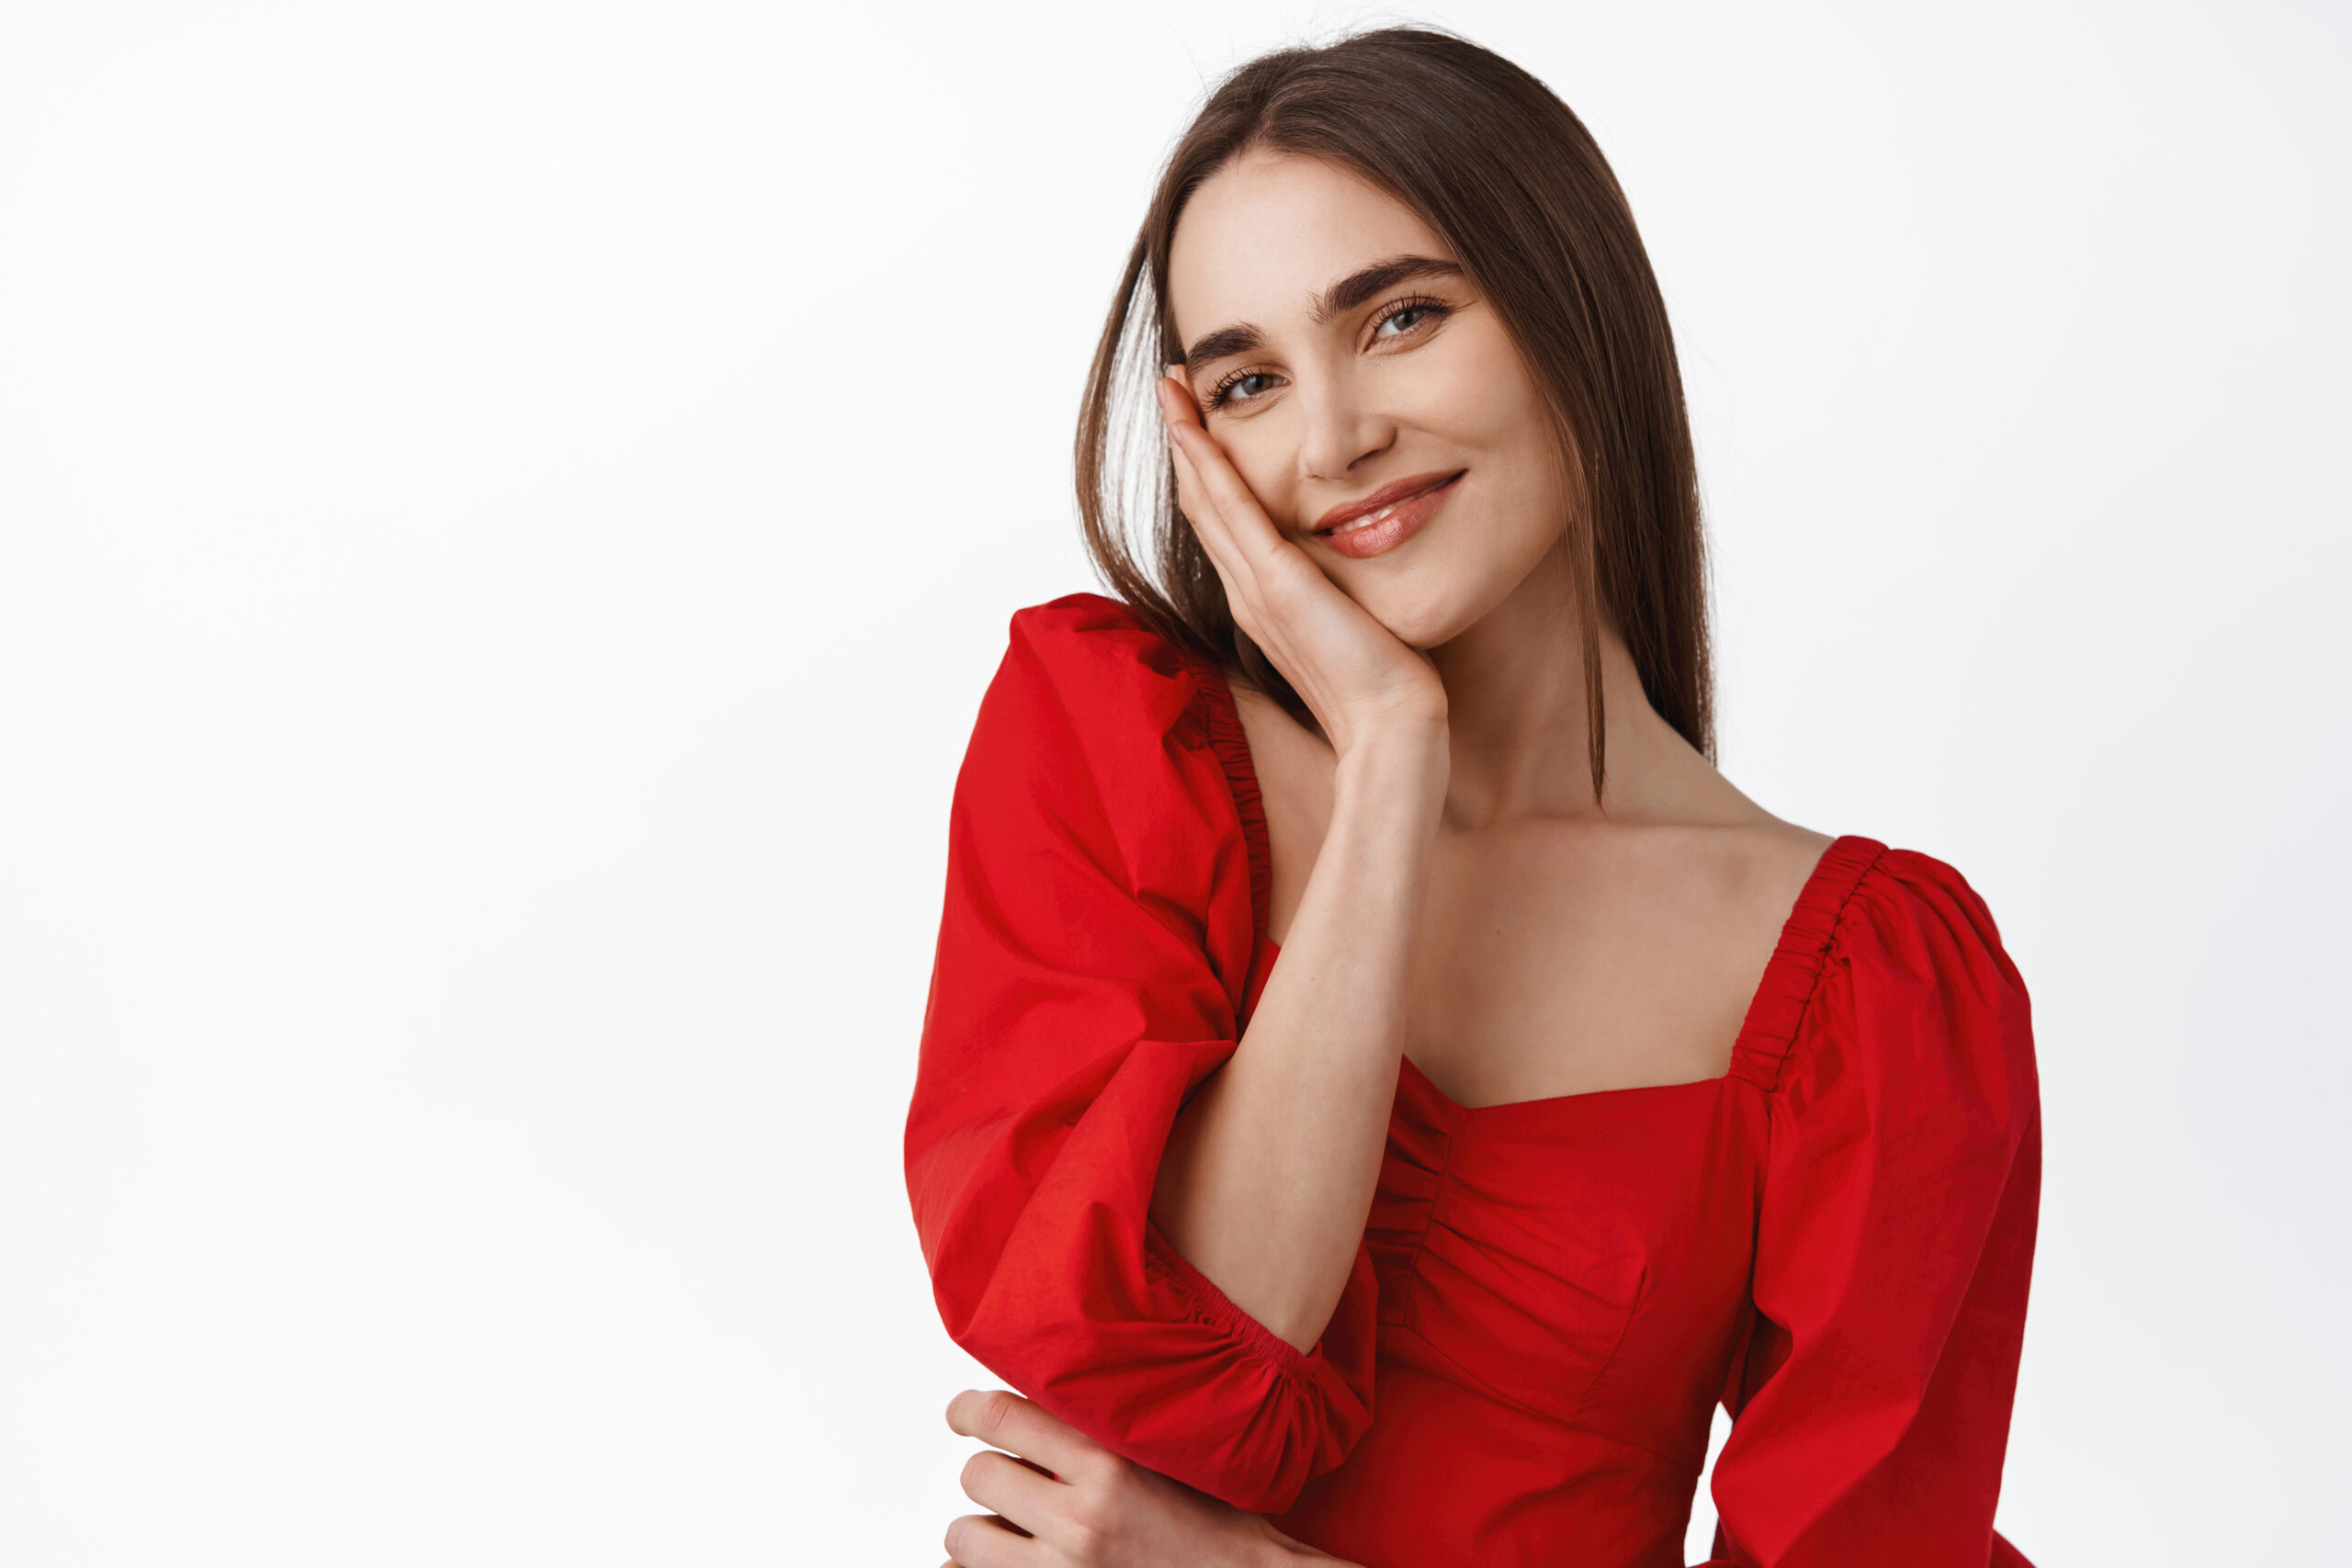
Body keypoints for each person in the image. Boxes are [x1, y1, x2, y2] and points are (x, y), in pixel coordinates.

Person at [904, 28, 2040, 1568]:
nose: (1333, 440)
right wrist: (1388, 752)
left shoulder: (1873, 982)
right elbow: (1198, 1365)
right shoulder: (1119, 754)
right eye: (1249, 381)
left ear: (1574, 307)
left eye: (1402, 317)